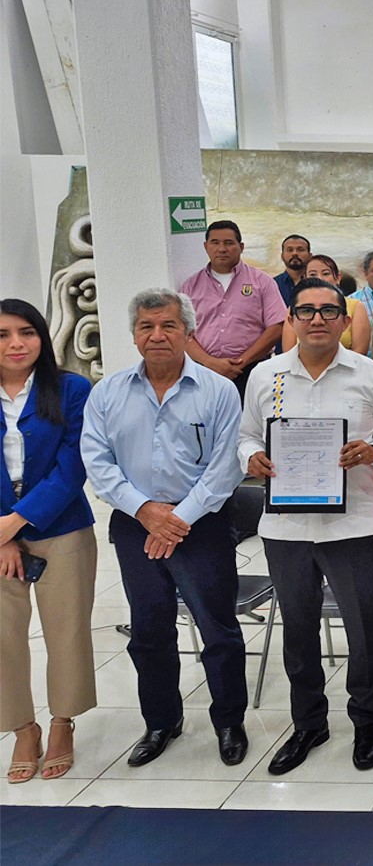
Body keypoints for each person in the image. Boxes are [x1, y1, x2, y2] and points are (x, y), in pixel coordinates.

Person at [240, 278, 373, 776]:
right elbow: (246, 437)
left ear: (344, 320)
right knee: (299, 629)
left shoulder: (371, 374)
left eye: (328, 311)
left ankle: (365, 719)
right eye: (306, 310)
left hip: (352, 522)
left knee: (362, 628)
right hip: (285, 528)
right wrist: (254, 458)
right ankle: (309, 722)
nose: (316, 319)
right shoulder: (266, 376)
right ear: (290, 317)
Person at [81, 288, 249, 768]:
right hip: (136, 526)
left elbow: (225, 467)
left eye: (168, 325)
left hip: (202, 526)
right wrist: (146, 512)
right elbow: (98, 462)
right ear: (134, 335)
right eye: (147, 327)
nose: (157, 335)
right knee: (149, 630)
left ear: (187, 332)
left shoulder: (217, 391)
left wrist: (176, 518)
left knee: (217, 628)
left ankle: (228, 721)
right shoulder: (107, 393)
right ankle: (161, 721)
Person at [1, 300, 96, 783]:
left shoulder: (72, 389)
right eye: (3, 335)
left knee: (67, 630)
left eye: (26, 332)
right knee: (3, 637)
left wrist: (17, 521)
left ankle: (62, 722)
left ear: (42, 336)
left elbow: (73, 466)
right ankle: (22, 728)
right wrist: (2, 534)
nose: (16, 344)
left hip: (62, 528)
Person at [179, 219, 286, 398]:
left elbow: (277, 327)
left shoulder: (262, 282)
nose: (222, 249)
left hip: (253, 370)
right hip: (205, 371)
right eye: (215, 243)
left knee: (251, 424)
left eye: (229, 243)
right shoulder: (190, 286)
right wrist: (211, 363)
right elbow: (183, 332)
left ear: (241, 246)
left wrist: (241, 362)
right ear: (206, 246)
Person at [282, 255, 371, 356]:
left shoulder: (356, 306)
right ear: (305, 279)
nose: (320, 278)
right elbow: (288, 352)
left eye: (325, 273)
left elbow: (360, 350)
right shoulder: (295, 308)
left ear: (338, 278)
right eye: (313, 274)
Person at [274, 234, 311, 306]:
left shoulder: (317, 284)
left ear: (310, 256)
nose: (295, 253)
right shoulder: (273, 284)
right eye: (290, 250)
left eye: (300, 250)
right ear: (282, 256)